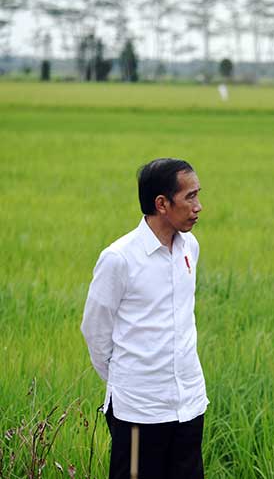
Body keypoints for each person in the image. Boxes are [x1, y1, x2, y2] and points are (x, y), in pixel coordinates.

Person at [81, 158, 207, 479]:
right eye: (190, 197)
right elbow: (95, 330)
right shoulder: (119, 259)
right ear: (162, 204)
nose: (198, 207)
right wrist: (125, 380)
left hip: (189, 403)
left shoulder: (189, 247)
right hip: (139, 412)